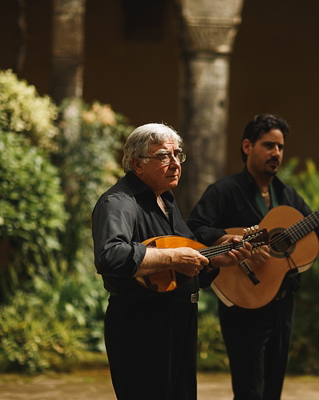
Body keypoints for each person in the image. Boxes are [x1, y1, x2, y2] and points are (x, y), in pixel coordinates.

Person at [186, 114, 319, 400]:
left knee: (273, 390)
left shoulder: (287, 196)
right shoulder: (224, 191)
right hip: (243, 302)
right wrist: (232, 241)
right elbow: (196, 228)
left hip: (282, 303)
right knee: (249, 391)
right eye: (269, 145)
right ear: (248, 146)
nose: (276, 153)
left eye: (281, 147)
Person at [92, 123, 252, 400]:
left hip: (178, 322)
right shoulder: (118, 202)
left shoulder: (166, 200)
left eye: (178, 155)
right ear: (137, 164)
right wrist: (170, 257)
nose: (176, 163)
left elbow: (189, 260)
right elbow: (110, 256)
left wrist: (215, 258)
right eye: (164, 156)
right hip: (141, 324)